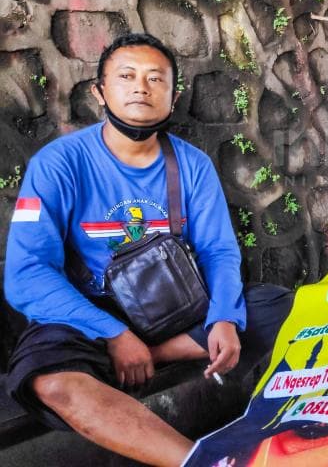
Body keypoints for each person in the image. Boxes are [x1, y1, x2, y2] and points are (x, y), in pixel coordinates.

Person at [3, 33, 293, 466]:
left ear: (171, 99)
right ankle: (196, 462)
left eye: (156, 79)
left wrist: (224, 318)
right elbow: (26, 273)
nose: (142, 87)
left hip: (170, 308)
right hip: (87, 318)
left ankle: (149, 357)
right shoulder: (59, 163)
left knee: (280, 307)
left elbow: (218, 250)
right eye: (127, 76)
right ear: (101, 93)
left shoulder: (191, 164)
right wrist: (113, 333)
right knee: (50, 380)